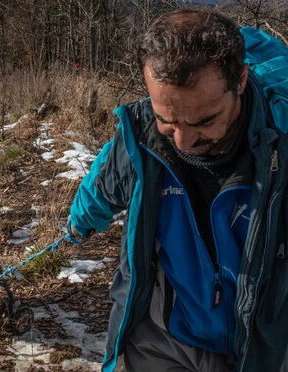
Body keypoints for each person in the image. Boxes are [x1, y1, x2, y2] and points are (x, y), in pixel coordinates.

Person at [66, 10, 288, 372]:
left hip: (265, 344)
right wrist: (80, 223)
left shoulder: (282, 138)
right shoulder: (137, 138)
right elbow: (102, 185)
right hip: (166, 338)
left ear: (241, 80)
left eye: (204, 120)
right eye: (167, 120)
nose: (184, 141)